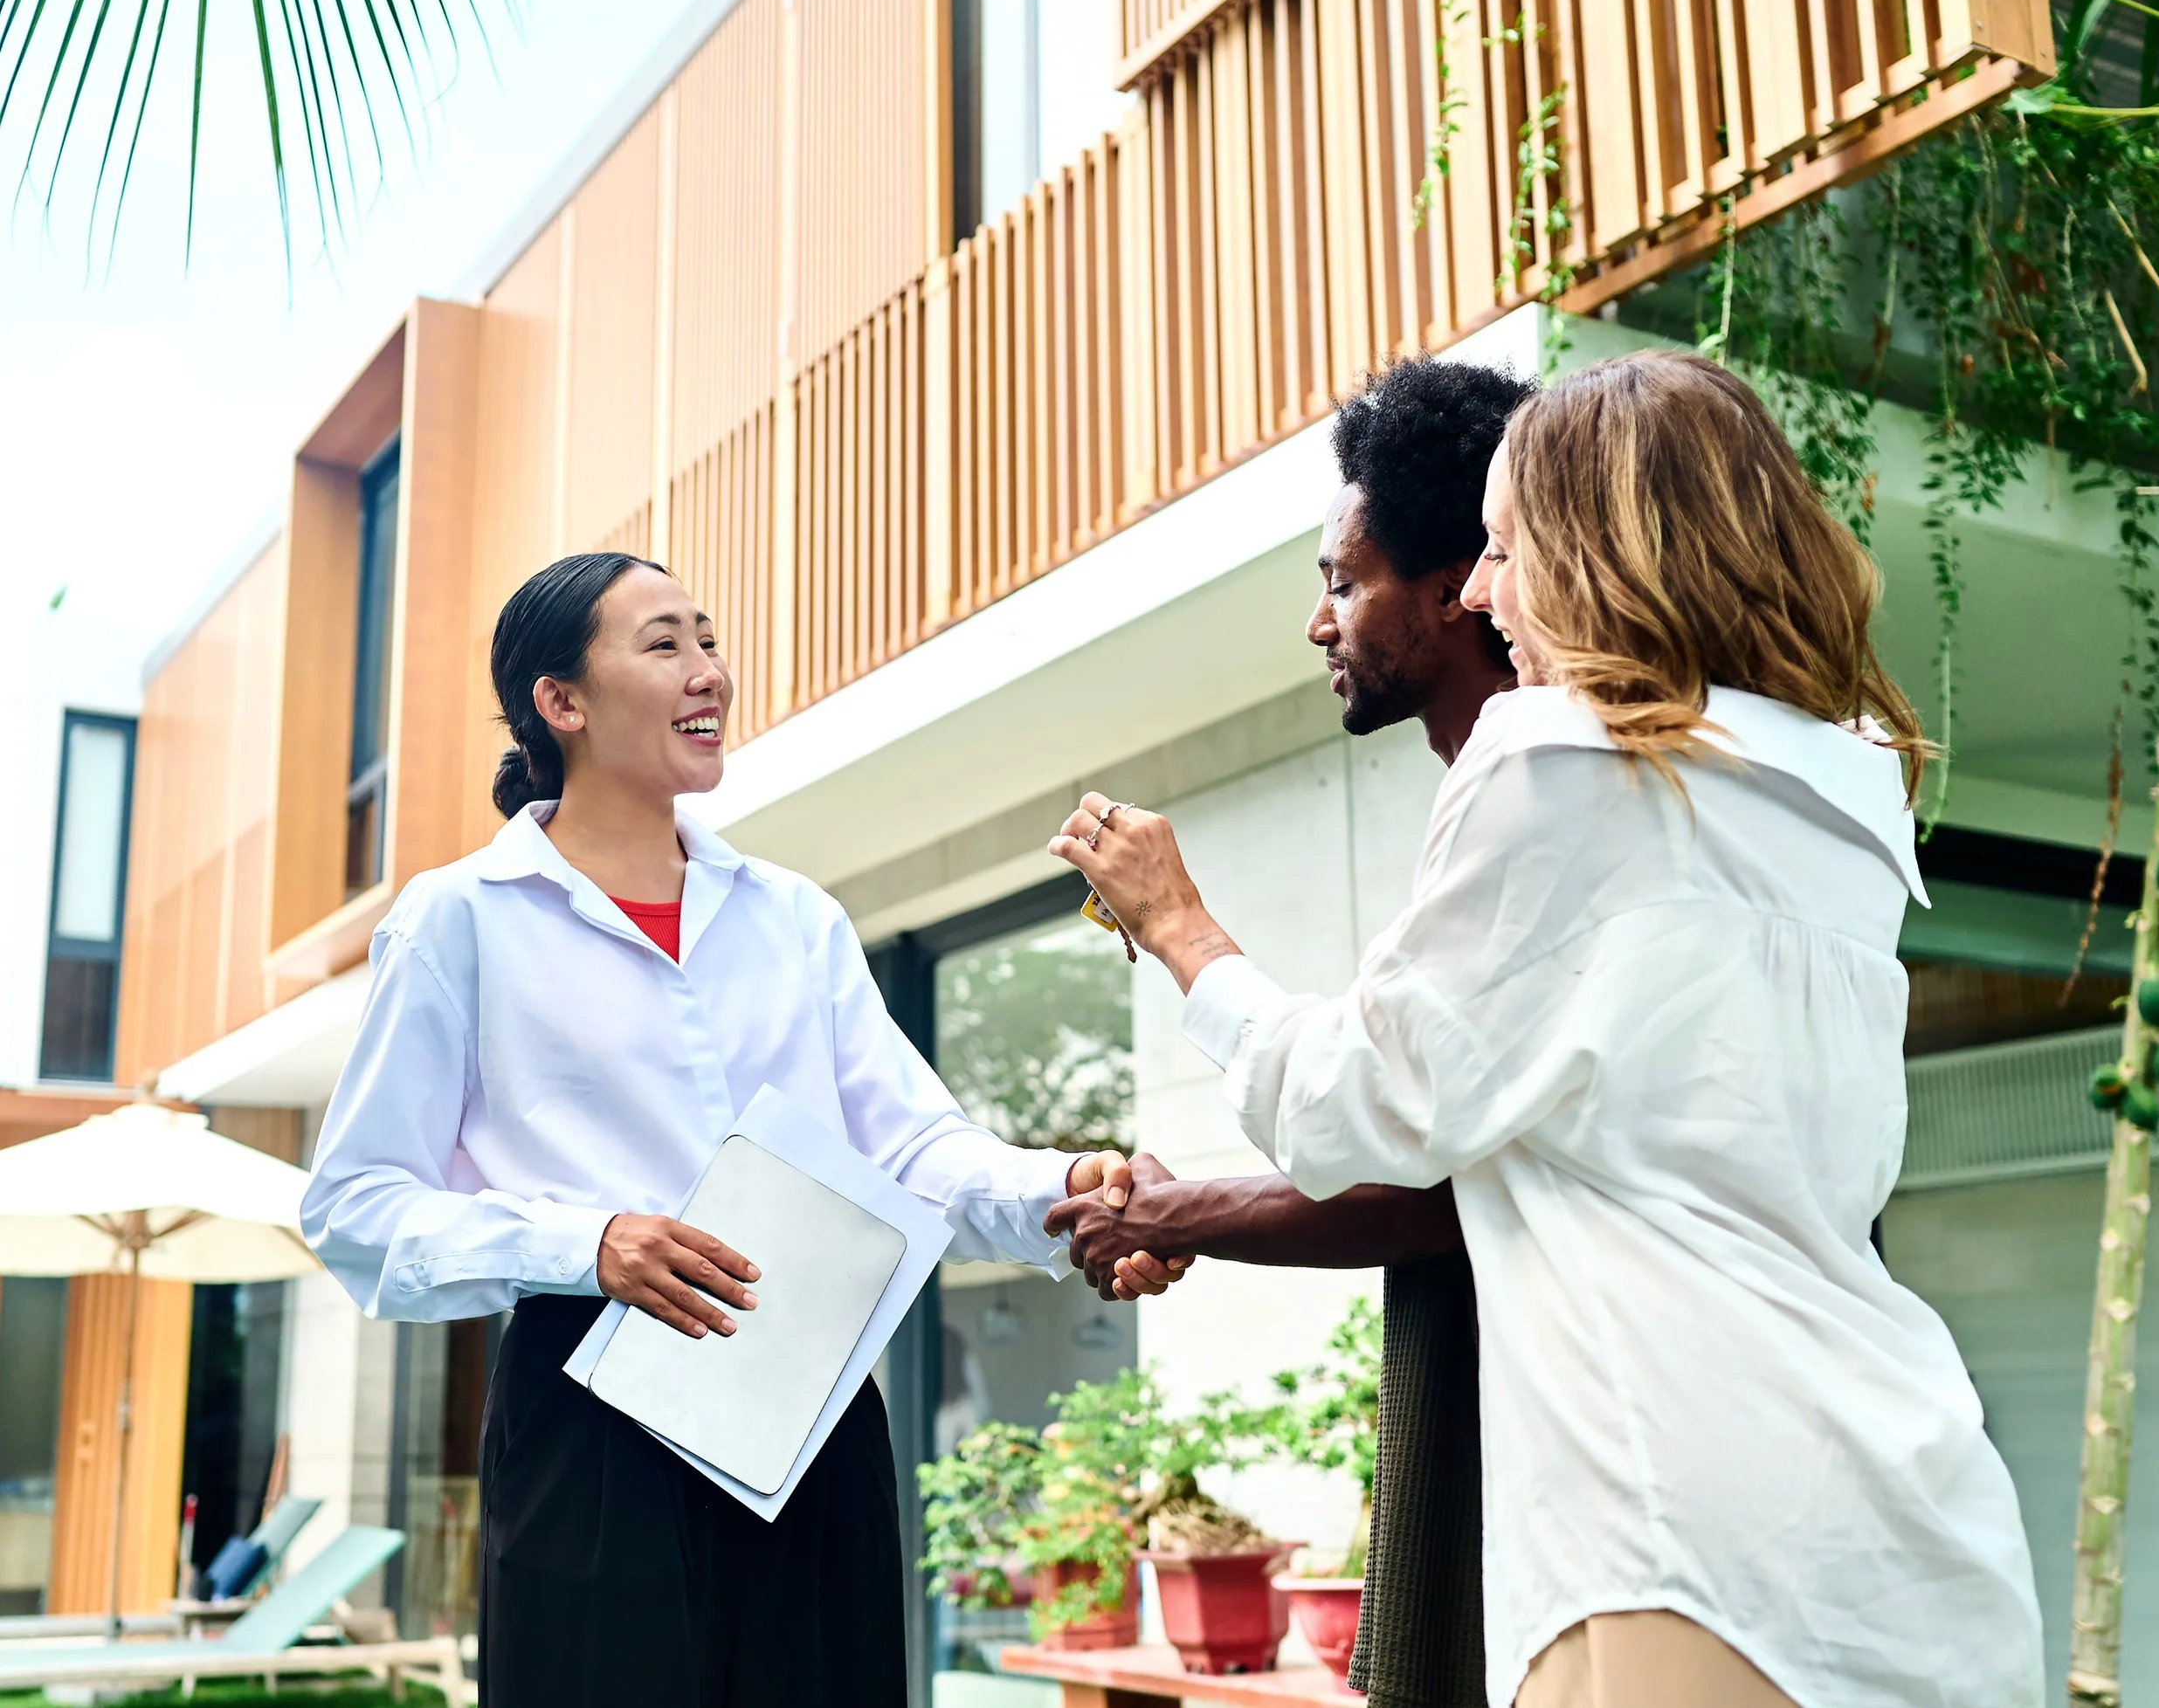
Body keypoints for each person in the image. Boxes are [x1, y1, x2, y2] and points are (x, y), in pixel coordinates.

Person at [1051, 352, 2042, 1707]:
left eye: (1505, 549)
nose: (1482, 589)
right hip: (1913, 1513)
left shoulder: (1551, 765)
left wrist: (1178, 929)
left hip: (1677, 1532)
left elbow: (1352, 1109)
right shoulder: (1847, 803)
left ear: (1601, 554)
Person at [299, 552, 1143, 1708]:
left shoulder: (794, 917)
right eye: (663, 645)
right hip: (590, 1427)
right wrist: (588, 1245)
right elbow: (353, 1207)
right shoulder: (459, 922)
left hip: (812, 1412)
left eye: (709, 639)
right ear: (563, 703)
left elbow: (908, 1153)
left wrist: (1068, 1186)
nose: (709, 671)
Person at [1047, 352, 1535, 1708]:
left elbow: (1383, 1156)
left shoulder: (1546, 796)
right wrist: (1171, 1211)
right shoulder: (1496, 799)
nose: (1319, 624)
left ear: (1462, 586)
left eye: (1341, 580)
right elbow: (1421, 1175)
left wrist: (1175, 923)